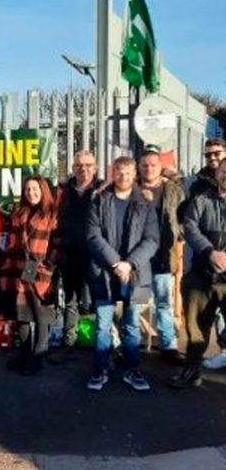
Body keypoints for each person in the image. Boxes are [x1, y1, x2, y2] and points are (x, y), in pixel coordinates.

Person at [85, 157, 159, 392]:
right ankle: (100, 368)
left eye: (128, 173)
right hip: (106, 272)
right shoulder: (99, 200)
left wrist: (129, 264)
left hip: (133, 274)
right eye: (119, 172)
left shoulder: (145, 204)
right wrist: (116, 263)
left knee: (131, 326)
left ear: (134, 174)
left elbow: (152, 240)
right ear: (112, 173)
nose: (123, 177)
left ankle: (132, 370)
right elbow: (93, 236)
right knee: (103, 325)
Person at [169, 158, 226, 388]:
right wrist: (211, 252)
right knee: (195, 329)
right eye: (223, 171)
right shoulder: (201, 200)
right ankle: (192, 369)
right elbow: (190, 227)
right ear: (218, 173)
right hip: (202, 274)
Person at [0, 175, 60, 375]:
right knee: (21, 314)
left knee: (41, 315)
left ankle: (39, 356)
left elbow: (57, 244)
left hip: (41, 270)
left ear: (43, 191)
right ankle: (24, 353)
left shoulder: (52, 214)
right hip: (19, 268)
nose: (31, 193)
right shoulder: (19, 213)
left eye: (35, 189)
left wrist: (48, 265)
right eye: (27, 190)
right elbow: (10, 241)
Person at [49, 150, 103, 364]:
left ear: (95, 167)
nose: (84, 169)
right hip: (69, 253)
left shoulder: (103, 189)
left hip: (95, 254)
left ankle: (105, 343)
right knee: (70, 301)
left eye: (88, 165)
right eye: (79, 165)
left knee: (100, 301)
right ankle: (68, 343)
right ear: (73, 168)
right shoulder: (62, 192)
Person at [138, 148, 186, 364]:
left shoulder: (173, 190)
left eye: (153, 165)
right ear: (139, 167)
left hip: (164, 255)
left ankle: (168, 346)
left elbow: (184, 216)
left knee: (164, 303)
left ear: (160, 167)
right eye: (145, 165)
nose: (149, 169)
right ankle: (129, 344)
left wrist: (180, 241)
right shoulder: (132, 189)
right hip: (138, 256)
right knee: (134, 302)